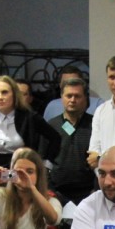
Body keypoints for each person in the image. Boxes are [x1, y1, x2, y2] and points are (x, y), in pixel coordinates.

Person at [0, 76, 60, 171]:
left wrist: (46, 164)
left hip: (22, 172)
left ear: (14, 94)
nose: (0, 97)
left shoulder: (29, 117)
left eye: (4, 92)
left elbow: (55, 138)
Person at [47, 78, 97, 206]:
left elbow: (100, 160)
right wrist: (49, 190)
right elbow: (44, 163)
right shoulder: (51, 126)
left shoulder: (95, 124)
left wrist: (96, 190)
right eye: (69, 96)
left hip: (88, 194)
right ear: (61, 97)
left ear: (85, 98)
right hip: (57, 193)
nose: (73, 100)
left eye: (77, 96)